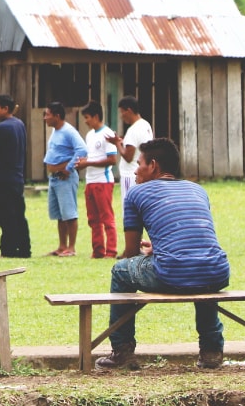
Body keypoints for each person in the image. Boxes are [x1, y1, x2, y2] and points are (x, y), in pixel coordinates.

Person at [96, 138, 230, 371]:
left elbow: (129, 252)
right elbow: (193, 238)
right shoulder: (197, 189)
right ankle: (211, 351)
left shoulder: (136, 193)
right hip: (217, 270)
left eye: (139, 164)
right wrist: (157, 249)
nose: (136, 170)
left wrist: (145, 254)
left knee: (119, 271)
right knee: (201, 269)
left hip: (171, 272)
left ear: (153, 165)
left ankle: (122, 352)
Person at [43, 101, 87, 257]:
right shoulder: (56, 131)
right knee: (60, 214)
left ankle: (72, 247)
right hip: (54, 178)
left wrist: (68, 168)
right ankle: (62, 246)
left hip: (65, 179)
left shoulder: (69, 131)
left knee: (69, 213)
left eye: (48, 114)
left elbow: (82, 149)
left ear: (57, 116)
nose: (45, 118)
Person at [0, 94, 31, 258]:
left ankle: (8, 249)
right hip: (17, 176)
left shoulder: (3, 127)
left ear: (5, 109)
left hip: (4, 177)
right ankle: (24, 248)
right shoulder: (19, 124)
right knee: (18, 214)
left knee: (4, 215)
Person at [79, 101, 119, 260]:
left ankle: (111, 251)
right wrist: (82, 163)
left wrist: (87, 163)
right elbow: (92, 157)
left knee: (106, 217)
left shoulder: (107, 134)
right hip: (90, 181)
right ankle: (98, 251)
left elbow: (112, 160)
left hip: (103, 181)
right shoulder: (89, 135)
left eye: (87, 117)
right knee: (93, 219)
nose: (85, 121)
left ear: (96, 116)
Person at [114, 96, 154, 222]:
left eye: (122, 112)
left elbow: (128, 156)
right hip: (142, 174)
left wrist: (117, 144)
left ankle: (132, 241)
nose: (121, 116)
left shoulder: (133, 130)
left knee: (130, 213)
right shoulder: (145, 124)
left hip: (130, 176)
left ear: (129, 110)